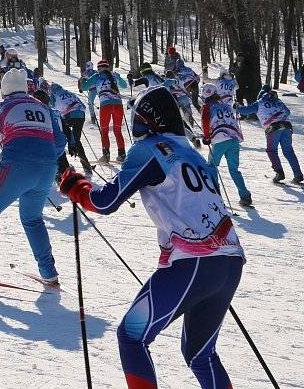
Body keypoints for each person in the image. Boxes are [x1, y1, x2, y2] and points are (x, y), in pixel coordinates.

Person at [57, 85, 245, 389]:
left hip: (192, 263)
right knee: (201, 354)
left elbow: (105, 202)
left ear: (148, 120)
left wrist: (76, 187)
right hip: (229, 260)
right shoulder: (193, 154)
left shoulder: (150, 149)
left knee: (132, 336)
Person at [0, 69, 67, 285]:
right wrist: (45, 158)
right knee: (32, 219)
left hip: (17, 164)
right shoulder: (44, 108)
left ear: (4, 89)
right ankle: (49, 271)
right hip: (47, 168)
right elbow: (60, 142)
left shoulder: (0, 107)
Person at [237, 87, 304, 183]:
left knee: (272, 151)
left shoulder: (259, 102)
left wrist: (237, 106)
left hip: (273, 127)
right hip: (287, 126)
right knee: (288, 151)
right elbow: (288, 112)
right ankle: (298, 174)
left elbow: (245, 111)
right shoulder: (278, 101)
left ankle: (279, 172)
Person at [201, 83, 251, 206]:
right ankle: (245, 196)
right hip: (234, 139)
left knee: (212, 167)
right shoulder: (226, 105)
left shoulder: (207, 107)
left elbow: (205, 122)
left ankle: (215, 195)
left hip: (219, 140)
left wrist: (206, 137)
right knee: (234, 170)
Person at [82, 60, 129, 163]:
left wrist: (83, 80)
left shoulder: (96, 76)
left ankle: (106, 155)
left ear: (99, 68)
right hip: (118, 105)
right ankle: (122, 154)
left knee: (104, 131)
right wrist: (119, 77)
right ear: (108, 67)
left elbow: (84, 87)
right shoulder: (114, 75)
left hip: (105, 105)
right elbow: (125, 86)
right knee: (117, 131)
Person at [48, 82, 92, 176]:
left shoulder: (53, 94)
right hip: (80, 114)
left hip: (68, 115)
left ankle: (65, 166)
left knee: (62, 138)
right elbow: (83, 105)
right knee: (76, 141)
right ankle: (87, 167)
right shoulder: (69, 92)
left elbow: (51, 107)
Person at [79, 60, 99, 125]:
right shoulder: (95, 72)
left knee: (90, 103)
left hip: (92, 89)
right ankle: (93, 117)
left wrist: (80, 88)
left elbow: (80, 81)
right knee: (99, 101)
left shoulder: (85, 73)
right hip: (98, 88)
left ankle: (93, 117)